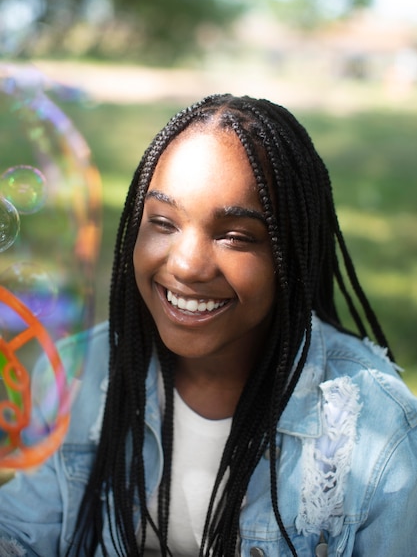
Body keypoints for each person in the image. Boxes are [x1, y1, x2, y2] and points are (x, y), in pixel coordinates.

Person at [0, 93, 416, 557]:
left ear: (291, 255)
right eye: (162, 222)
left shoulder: (375, 432)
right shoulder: (81, 375)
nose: (188, 265)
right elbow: (23, 531)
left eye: (236, 236)